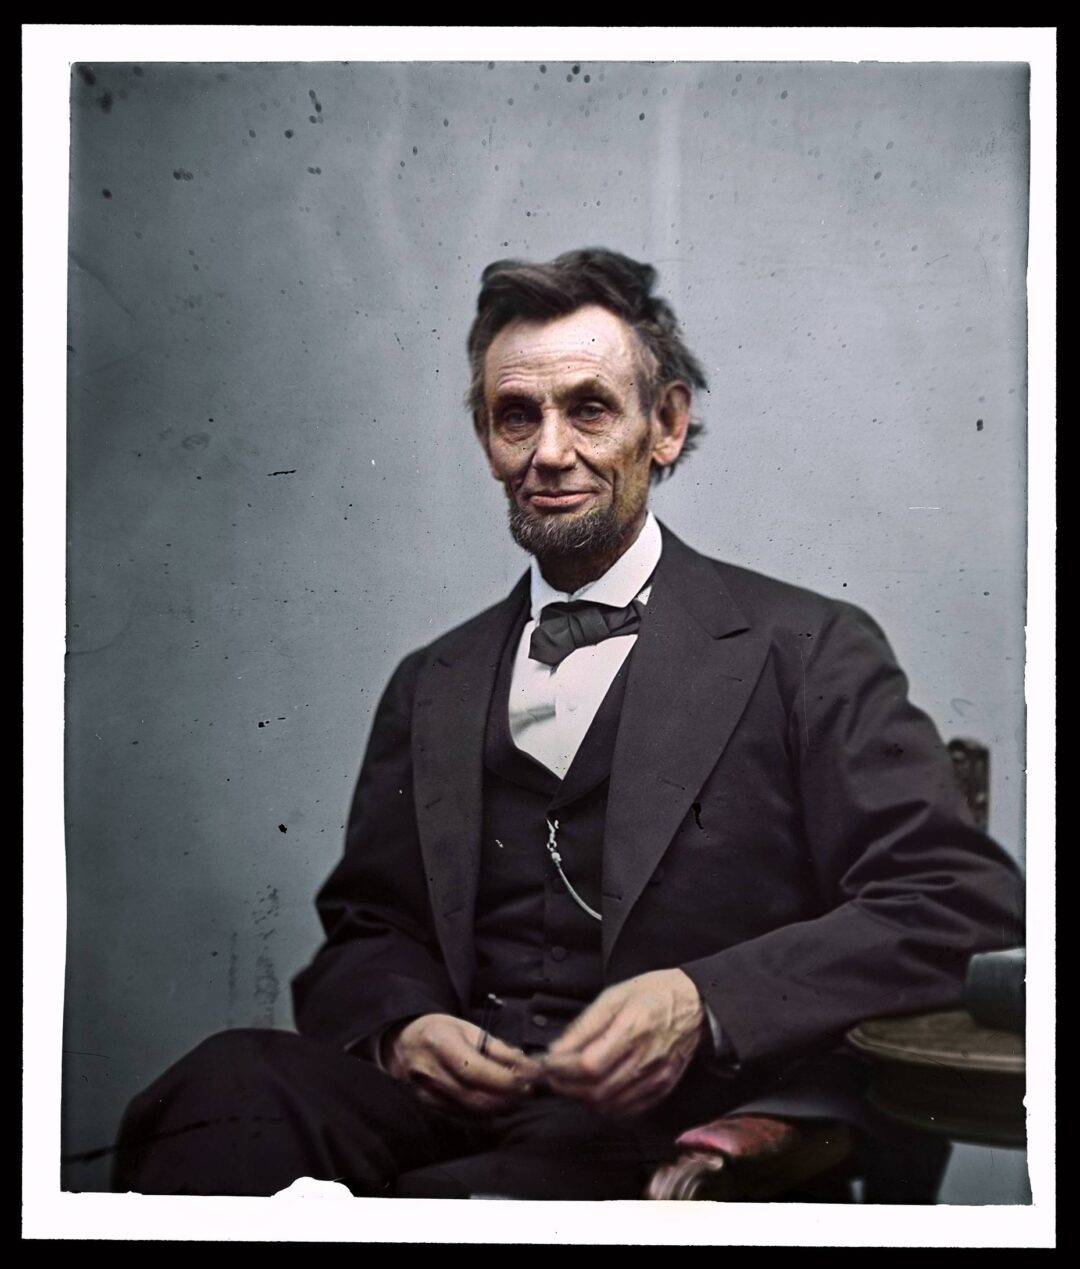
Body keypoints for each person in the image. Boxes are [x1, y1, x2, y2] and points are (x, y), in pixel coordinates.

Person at [113, 247, 1023, 1200]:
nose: (550, 453)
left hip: (672, 1127)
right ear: (485, 437)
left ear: (664, 425)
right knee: (227, 1090)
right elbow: (369, 925)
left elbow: (958, 903)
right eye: (517, 416)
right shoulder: (435, 679)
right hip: (452, 1118)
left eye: (589, 407)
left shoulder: (805, 648)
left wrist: (704, 1000)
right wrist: (403, 1029)